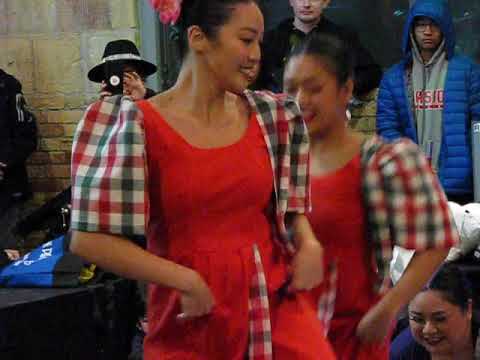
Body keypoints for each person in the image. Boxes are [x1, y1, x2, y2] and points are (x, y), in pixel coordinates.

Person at [69, 0, 335, 359]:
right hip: (194, 316)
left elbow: (290, 208)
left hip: (275, 307)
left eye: (259, 41)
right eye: (245, 39)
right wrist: (185, 279)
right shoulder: (138, 125)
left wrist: (308, 241)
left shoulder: (272, 116)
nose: (256, 54)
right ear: (198, 38)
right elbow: (89, 239)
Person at [283, 32, 459, 359]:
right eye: (291, 88)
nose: (300, 99)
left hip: (354, 337)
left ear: (346, 90)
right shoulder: (281, 161)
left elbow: (438, 240)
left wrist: (390, 307)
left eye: (314, 88)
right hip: (289, 334)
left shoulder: (383, 162)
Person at [376, 0, 480, 204]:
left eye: (434, 24)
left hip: (458, 185)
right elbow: (387, 131)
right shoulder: (394, 78)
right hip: (409, 183)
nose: (428, 31)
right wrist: (411, 165)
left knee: (460, 236)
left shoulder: (467, 71)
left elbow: (478, 128)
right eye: (421, 24)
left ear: (445, 28)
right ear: (411, 29)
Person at [256, 0, 382, 97]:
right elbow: (257, 78)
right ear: (291, 1)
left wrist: (336, 87)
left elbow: (372, 74)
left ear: (326, 2)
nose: (306, 4)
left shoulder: (342, 37)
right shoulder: (271, 39)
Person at [390, 262, 479, 359]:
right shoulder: (402, 354)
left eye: (439, 318)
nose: (428, 330)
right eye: (418, 319)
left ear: (468, 310)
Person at [0, 69, 37, 253]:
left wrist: (4, 162)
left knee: (8, 258)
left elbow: (26, 137)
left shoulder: (8, 86)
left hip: (7, 189)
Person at [87, 39, 157, 101]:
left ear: (140, 77)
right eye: (115, 74)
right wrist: (105, 108)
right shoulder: (97, 110)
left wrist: (145, 96)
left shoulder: (158, 101)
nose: (121, 80)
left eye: (127, 74)